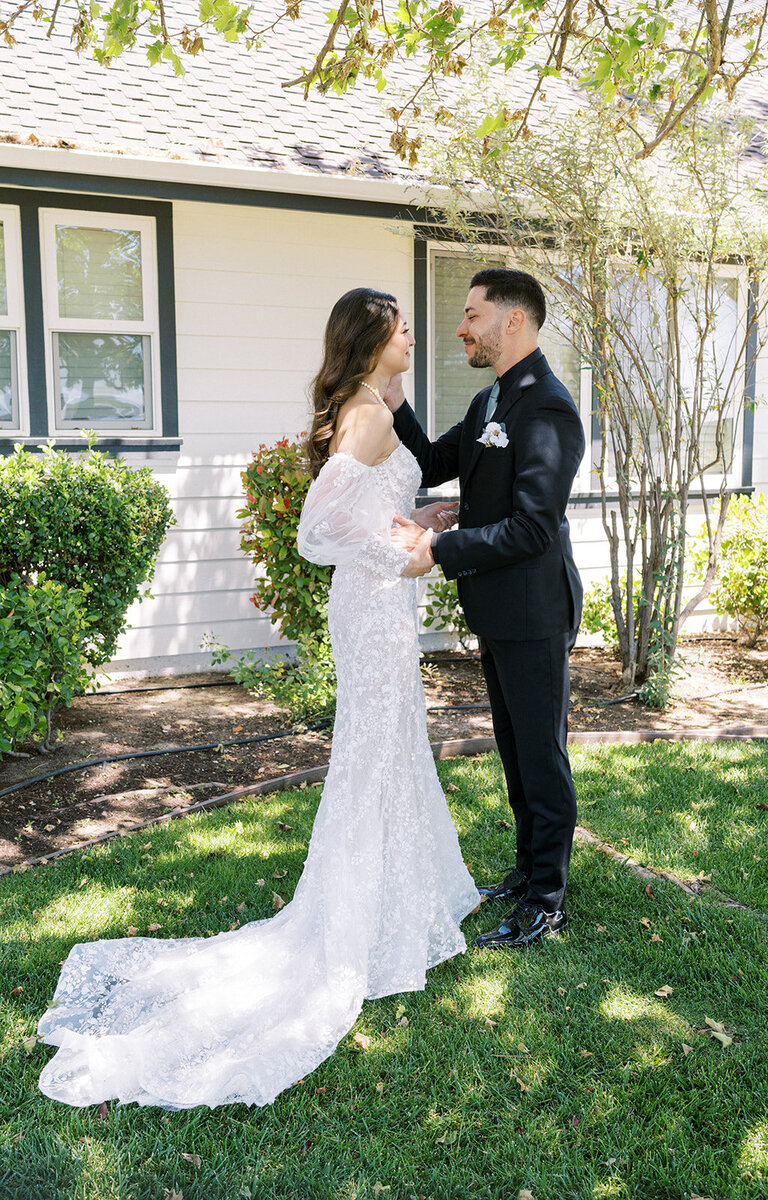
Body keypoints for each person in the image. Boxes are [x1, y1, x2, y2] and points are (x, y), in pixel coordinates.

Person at [36, 288, 479, 1111]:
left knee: (385, 750)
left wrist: (423, 517)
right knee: (374, 753)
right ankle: (361, 925)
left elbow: (369, 512)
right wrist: (412, 556)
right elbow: (320, 531)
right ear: (374, 338)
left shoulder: (370, 404)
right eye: (405, 329)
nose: (417, 336)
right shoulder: (370, 416)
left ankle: (394, 904)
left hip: (377, 605)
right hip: (376, 608)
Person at [387, 268, 585, 950]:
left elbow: (534, 527)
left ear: (514, 322)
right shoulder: (489, 403)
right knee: (514, 749)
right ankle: (528, 870)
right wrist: (392, 394)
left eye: (472, 314)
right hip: (498, 611)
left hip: (534, 613)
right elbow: (434, 459)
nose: (462, 327)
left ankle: (549, 898)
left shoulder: (549, 408)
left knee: (542, 755)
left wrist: (439, 549)